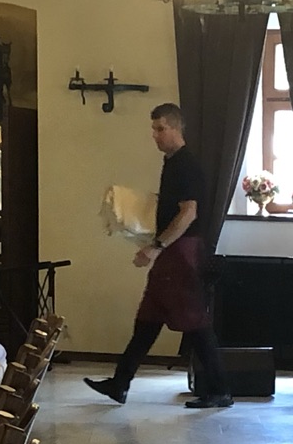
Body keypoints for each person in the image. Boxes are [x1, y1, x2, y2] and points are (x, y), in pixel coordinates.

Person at [86, 103, 232, 410]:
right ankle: (119, 383)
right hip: (173, 252)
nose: (154, 135)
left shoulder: (186, 165)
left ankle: (220, 390)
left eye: (160, 128)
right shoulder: (172, 163)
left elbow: (188, 213)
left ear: (176, 128)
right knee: (148, 319)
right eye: (153, 129)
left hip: (181, 253)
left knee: (194, 320)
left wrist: (156, 247)